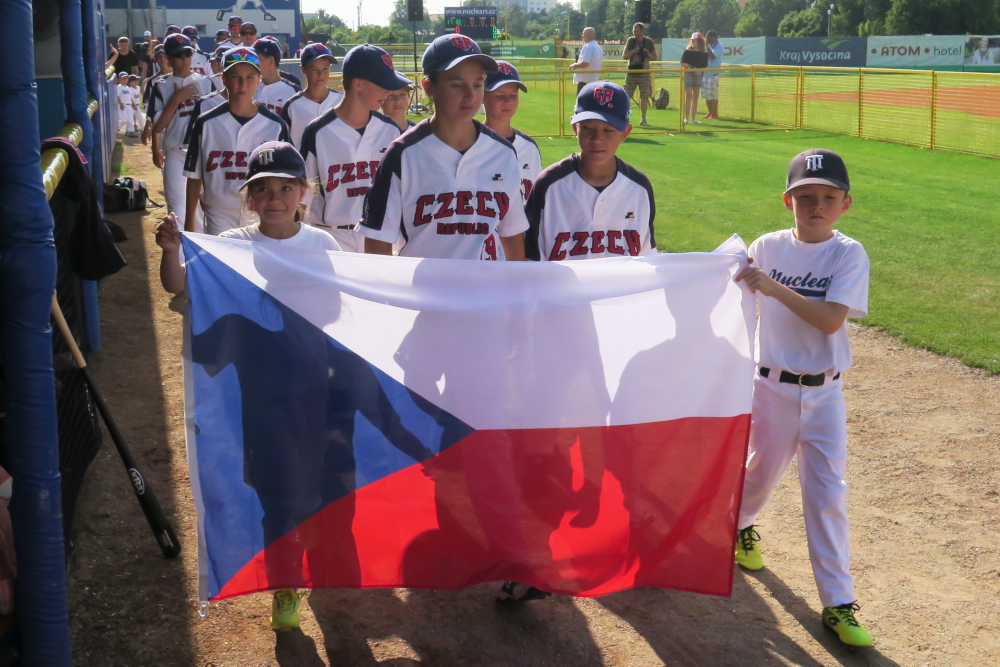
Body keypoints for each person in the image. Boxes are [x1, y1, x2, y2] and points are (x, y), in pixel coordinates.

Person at [733, 148, 873, 648]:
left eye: (828, 198)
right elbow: (725, 294)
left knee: (828, 493)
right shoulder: (765, 247)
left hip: (825, 393)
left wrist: (770, 287)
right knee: (758, 474)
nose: (817, 206)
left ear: (845, 204)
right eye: (805, 197)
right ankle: (741, 526)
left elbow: (831, 319)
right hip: (769, 386)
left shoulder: (847, 253)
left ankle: (838, 602)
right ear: (787, 200)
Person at [358, 34, 529, 265]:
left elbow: (512, 235)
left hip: (488, 293)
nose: (471, 96)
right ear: (429, 87)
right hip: (424, 296)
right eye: (457, 85)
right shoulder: (402, 155)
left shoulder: (504, 153)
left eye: (478, 84)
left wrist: (513, 293)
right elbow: (378, 243)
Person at [156, 141, 341, 294]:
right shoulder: (232, 243)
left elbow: (344, 297)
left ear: (302, 194)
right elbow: (177, 284)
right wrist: (171, 252)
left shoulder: (322, 244)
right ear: (250, 198)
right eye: (263, 189)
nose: (274, 199)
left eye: (286, 188)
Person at [525, 80, 654, 261]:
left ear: (625, 132)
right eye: (587, 128)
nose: (597, 139)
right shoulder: (548, 184)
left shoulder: (639, 188)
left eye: (608, 130)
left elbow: (647, 260)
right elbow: (531, 260)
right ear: (574, 127)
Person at [301, 44, 407, 251]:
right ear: (357, 83)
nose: (388, 91)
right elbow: (302, 197)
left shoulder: (390, 131)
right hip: (331, 237)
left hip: (379, 237)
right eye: (382, 84)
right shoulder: (317, 131)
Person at [182, 47, 290, 235]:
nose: (243, 84)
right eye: (235, 77)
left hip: (261, 212)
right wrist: (189, 222)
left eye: (250, 77)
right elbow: (194, 177)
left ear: (259, 80)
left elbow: (286, 178)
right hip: (218, 211)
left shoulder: (275, 125)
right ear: (223, 79)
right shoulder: (205, 122)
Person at [150, 34, 219, 230]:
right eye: (178, 54)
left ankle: (200, 257)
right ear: (168, 59)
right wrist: (177, 98)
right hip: (175, 152)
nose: (184, 58)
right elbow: (158, 126)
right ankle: (179, 257)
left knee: (204, 209)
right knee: (177, 211)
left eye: (187, 53)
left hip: (203, 153)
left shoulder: (206, 82)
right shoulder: (161, 85)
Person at [482, 60, 542, 260]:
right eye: (499, 95)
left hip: (519, 246)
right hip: (481, 247)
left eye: (513, 96)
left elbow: (534, 205)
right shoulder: (471, 142)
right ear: (482, 96)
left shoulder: (529, 147)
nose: (507, 102)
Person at [279, 43, 342, 148]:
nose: (321, 74)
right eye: (314, 69)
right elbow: (283, 144)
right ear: (303, 70)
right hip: (303, 164)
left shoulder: (341, 101)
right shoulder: (292, 106)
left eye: (325, 69)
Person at [253, 37, 299, 115]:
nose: (253, 63)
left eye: (256, 59)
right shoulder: (248, 86)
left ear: (271, 61)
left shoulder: (292, 91)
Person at [622, 22, 656, 127]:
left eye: (636, 31)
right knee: (627, 95)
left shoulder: (649, 42)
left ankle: (643, 119)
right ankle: (624, 117)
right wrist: (634, 52)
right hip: (632, 72)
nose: (634, 33)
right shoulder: (631, 41)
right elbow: (624, 56)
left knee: (644, 95)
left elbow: (655, 57)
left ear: (642, 31)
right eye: (633, 31)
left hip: (644, 73)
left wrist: (647, 53)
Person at [680, 32, 709, 125]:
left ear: (700, 41)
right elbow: (682, 62)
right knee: (688, 95)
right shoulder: (688, 51)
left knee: (695, 96)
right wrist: (688, 66)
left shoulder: (704, 53)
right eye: (691, 40)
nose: (692, 42)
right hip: (688, 73)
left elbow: (705, 66)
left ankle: (693, 119)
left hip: (698, 75)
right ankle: (686, 118)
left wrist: (700, 70)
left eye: (694, 40)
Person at [568, 27, 603, 94]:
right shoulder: (598, 47)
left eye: (583, 34)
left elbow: (585, 62)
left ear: (588, 35)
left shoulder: (588, 46)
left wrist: (574, 65)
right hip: (593, 79)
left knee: (581, 103)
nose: (582, 35)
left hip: (585, 81)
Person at [703, 30, 723, 120]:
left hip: (713, 73)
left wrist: (706, 46)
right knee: (707, 94)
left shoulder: (719, 46)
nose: (707, 39)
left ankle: (715, 113)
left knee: (713, 94)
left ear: (713, 38)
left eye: (708, 38)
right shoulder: (709, 46)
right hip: (706, 73)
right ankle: (710, 112)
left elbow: (712, 56)